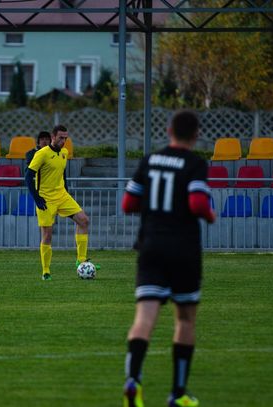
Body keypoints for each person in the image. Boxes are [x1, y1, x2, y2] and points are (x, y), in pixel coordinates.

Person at [121, 110, 215, 407]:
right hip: (183, 249)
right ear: (196, 135)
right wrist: (210, 215)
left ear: (168, 130)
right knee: (184, 319)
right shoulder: (195, 163)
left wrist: (154, 208)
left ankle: (133, 380)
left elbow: (128, 203)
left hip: (150, 245)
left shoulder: (150, 160)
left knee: (144, 317)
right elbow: (197, 203)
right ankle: (178, 393)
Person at [25, 124, 97, 280]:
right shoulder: (42, 154)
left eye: (65, 138)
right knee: (47, 235)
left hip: (62, 196)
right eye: (60, 138)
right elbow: (28, 177)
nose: (63, 141)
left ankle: (81, 260)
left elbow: (62, 174)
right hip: (46, 199)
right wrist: (37, 198)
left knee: (84, 220)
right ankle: (46, 271)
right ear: (53, 137)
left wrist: (67, 192)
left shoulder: (64, 152)